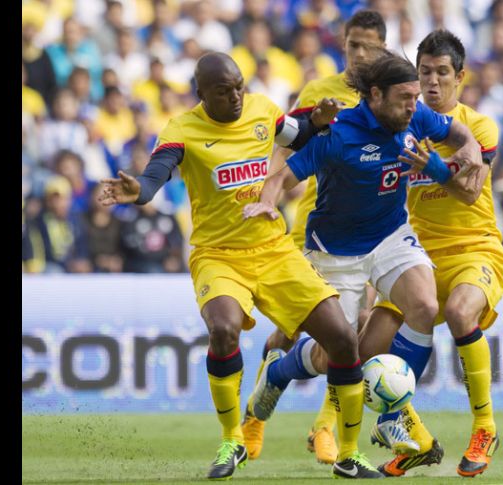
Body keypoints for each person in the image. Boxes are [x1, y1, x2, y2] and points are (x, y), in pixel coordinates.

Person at [98, 52, 382, 480]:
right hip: (218, 255)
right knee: (224, 328)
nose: (234, 97)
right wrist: (139, 190)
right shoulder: (181, 129)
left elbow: (298, 135)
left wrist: (319, 122)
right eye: (222, 91)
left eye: (238, 87)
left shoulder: (262, 110)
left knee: (343, 338)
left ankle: (348, 453)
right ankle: (232, 438)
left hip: (273, 248)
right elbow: (156, 174)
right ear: (201, 95)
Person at [242, 49, 484, 465]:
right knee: (337, 353)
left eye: (415, 97)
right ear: (375, 94)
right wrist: (267, 202)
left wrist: (471, 152)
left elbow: (458, 131)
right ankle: (278, 373)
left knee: (425, 305)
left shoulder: (415, 116)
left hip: (390, 234)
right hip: (336, 252)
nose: (415, 105)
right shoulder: (339, 134)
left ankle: (393, 416)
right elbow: (284, 175)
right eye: (404, 97)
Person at [239, 9, 388, 466]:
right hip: (315, 225)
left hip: (367, 229)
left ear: (382, 47)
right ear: (342, 44)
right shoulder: (319, 92)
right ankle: (256, 414)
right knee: (291, 328)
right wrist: (272, 189)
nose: (359, 54)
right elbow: (287, 144)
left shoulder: (390, 94)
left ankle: (325, 426)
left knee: (354, 327)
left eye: (368, 46)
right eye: (352, 45)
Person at [359, 30, 503, 478]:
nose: (433, 82)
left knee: (463, 314)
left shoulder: (478, 127)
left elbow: (468, 192)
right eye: (425, 73)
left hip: (473, 249)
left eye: (443, 73)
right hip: (416, 256)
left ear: (460, 77)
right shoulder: (399, 125)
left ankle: (485, 427)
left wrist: (433, 166)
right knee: (367, 352)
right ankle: (417, 440)